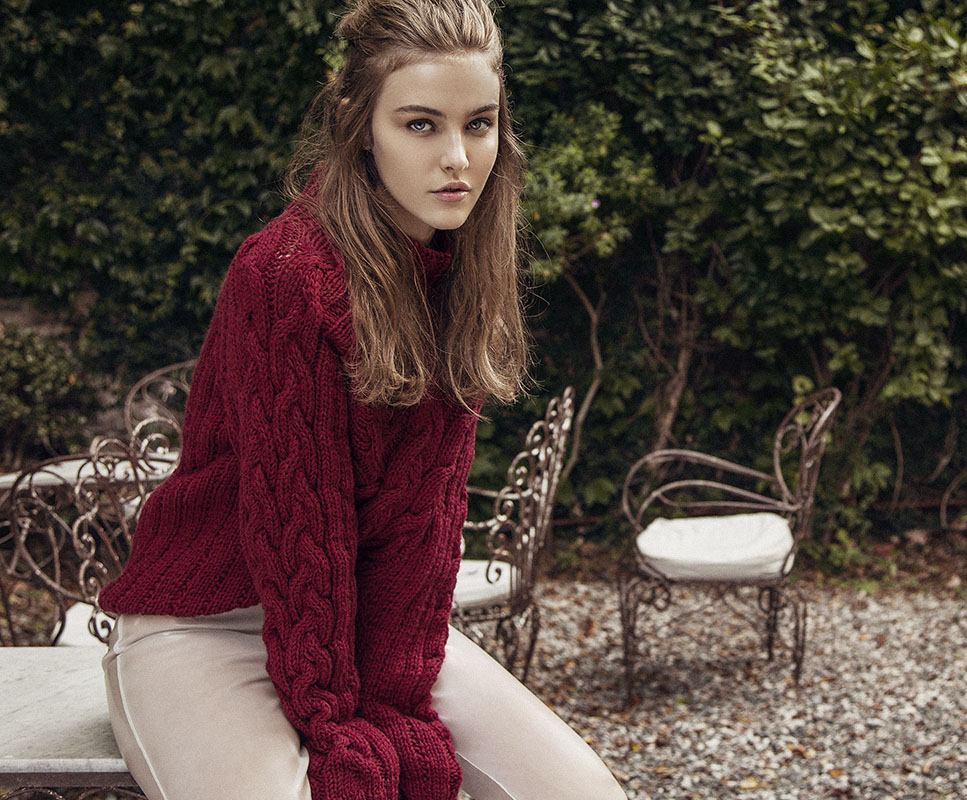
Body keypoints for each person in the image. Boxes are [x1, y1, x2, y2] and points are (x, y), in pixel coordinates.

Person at [97, 2, 628, 799]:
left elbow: (425, 523)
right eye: (420, 125)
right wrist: (340, 725)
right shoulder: (285, 276)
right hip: (207, 621)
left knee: (584, 793)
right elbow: (298, 531)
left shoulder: (459, 271)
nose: (457, 158)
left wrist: (395, 699)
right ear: (360, 125)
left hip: (363, 620)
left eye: (479, 125)